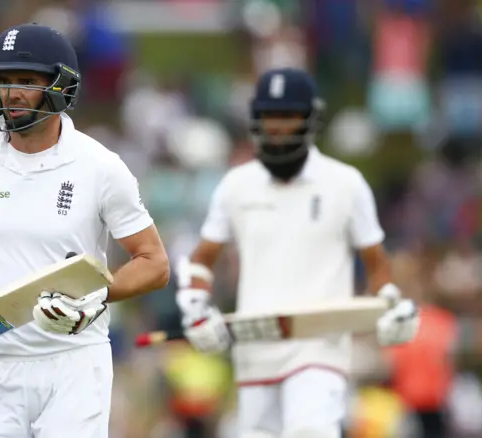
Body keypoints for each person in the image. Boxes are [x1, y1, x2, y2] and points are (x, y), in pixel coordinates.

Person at [0, 23, 170, 438]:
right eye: (3, 81)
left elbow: (154, 262)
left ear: (62, 85)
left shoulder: (100, 167)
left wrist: (96, 297)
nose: (11, 93)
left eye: (26, 81)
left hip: (74, 364)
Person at [174, 68, 420, 438]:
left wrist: (387, 302)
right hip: (256, 346)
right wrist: (195, 304)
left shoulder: (345, 183)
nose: (277, 127)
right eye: (269, 117)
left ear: (309, 118)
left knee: (310, 430)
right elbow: (203, 258)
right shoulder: (236, 185)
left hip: (319, 347)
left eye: (287, 116)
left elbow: (376, 262)